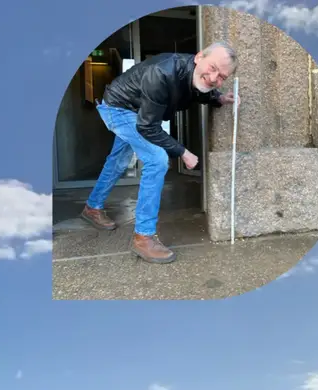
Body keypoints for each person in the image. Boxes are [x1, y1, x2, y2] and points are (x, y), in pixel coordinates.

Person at [80, 42, 239, 264]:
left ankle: (92, 207)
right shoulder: (162, 72)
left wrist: (218, 98)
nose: (214, 78)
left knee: (118, 162)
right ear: (198, 57)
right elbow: (147, 127)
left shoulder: (194, 73)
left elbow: (198, 89)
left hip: (136, 112)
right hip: (118, 108)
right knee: (157, 159)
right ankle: (143, 237)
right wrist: (182, 151)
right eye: (213, 68)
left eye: (222, 77)